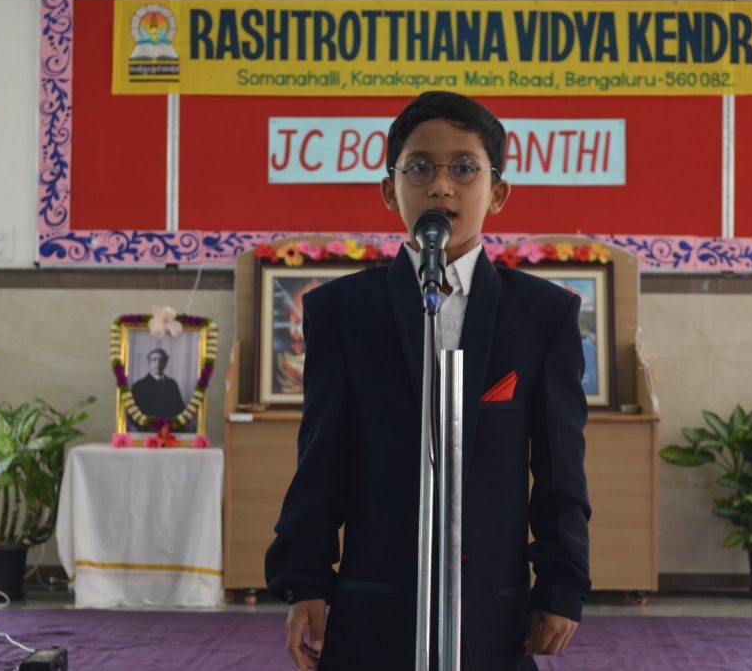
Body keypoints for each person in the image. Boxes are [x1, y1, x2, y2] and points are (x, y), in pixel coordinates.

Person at [265, 91, 591, 671]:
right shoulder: (342, 311)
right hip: (375, 599)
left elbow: (560, 467)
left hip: (492, 606)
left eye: (464, 168)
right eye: (419, 167)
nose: (441, 186)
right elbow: (321, 457)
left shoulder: (543, 315)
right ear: (390, 190)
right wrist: (305, 578)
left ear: (498, 192)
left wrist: (561, 583)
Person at [129, 348, 185, 430]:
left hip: (170, 431)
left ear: (166, 363)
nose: (158, 364)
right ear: (149, 363)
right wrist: (146, 429)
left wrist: (174, 427)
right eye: (154, 360)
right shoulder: (139, 386)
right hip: (147, 433)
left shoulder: (172, 384)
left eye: (161, 360)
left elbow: (180, 409)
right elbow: (132, 413)